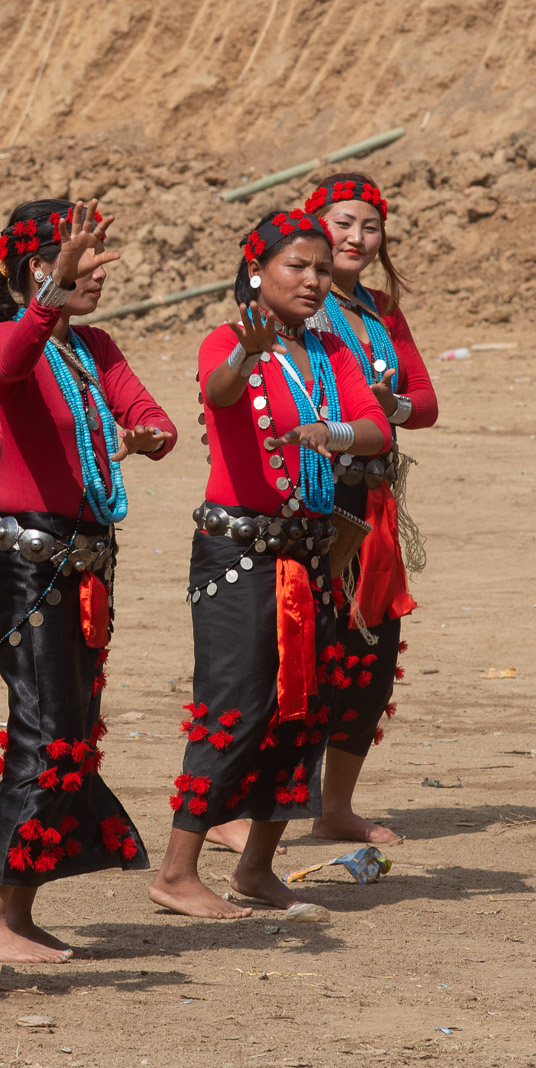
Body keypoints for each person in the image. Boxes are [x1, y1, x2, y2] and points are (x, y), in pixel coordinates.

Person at [147, 208, 392, 919]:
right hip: (238, 554)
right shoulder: (227, 342)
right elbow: (220, 393)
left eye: (322, 269)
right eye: (299, 266)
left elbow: (374, 430)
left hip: (308, 555)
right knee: (236, 706)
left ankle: (256, 869)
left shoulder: (326, 352)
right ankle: (176, 872)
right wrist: (244, 358)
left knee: (302, 711)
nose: (315, 279)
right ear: (257, 271)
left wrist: (334, 430)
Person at [0, 200, 174, 961]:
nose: (98, 271)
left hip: (86, 569)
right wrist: (48, 294)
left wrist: (149, 436)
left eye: (101, 255)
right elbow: (2, 365)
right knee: (45, 734)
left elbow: (150, 413)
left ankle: (14, 912)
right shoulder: (9, 341)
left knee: (70, 738)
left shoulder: (94, 348)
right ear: (32, 270)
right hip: (27, 569)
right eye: (82, 256)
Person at [303, 173, 437, 843]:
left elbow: (428, 404)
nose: (357, 237)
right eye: (343, 223)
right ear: (313, 228)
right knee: (303, 647)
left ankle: (335, 806)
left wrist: (393, 410)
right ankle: (248, 808)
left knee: (372, 647)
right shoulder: (297, 301)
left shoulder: (380, 308)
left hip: (375, 497)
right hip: (317, 493)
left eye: (370, 226)